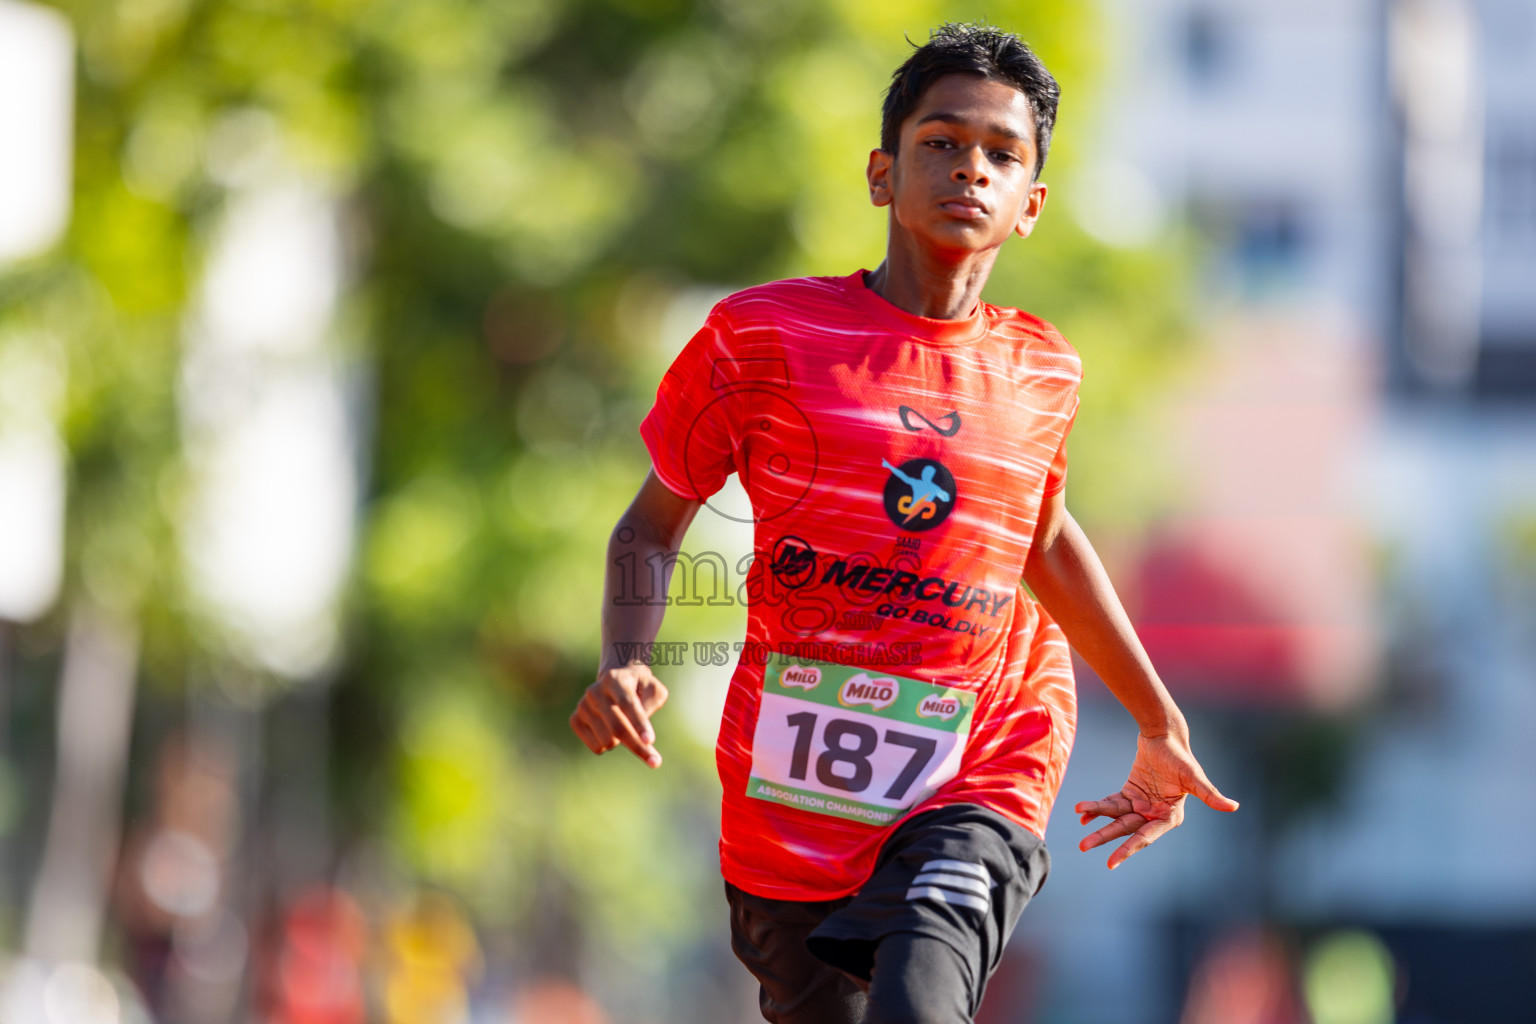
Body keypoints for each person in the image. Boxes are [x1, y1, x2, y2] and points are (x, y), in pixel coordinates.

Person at [570, 22, 1238, 1024]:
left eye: (1002, 154)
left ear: (1030, 207)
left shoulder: (1042, 368)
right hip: (789, 790)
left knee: (922, 1003)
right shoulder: (760, 337)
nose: (970, 167)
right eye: (941, 141)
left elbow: (1044, 537)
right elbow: (651, 522)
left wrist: (1158, 717)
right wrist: (624, 656)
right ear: (882, 174)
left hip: (983, 751)